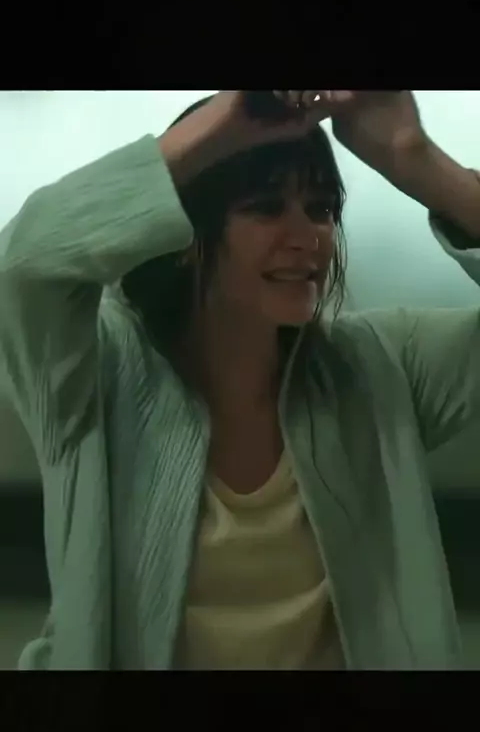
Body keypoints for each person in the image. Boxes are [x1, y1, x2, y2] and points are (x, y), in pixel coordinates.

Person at [0, 90, 479, 670]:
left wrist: (419, 161)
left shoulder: (377, 368)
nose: (307, 236)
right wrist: (225, 122)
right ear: (184, 235)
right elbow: (24, 265)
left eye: (321, 208)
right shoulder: (96, 378)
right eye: (266, 207)